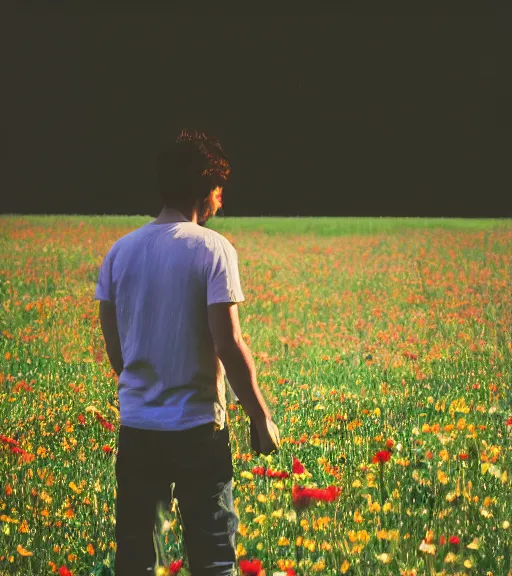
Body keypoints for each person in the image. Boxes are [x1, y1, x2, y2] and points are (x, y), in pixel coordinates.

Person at [95, 128, 280, 576]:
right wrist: (260, 417)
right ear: (206, 188)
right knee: (214, 558)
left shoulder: (119, 253)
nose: (222, 201)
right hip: (198, 430)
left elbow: (116, 350)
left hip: (137, 429)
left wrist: (145, 388)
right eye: (220, 190)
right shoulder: (213, 250)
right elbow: (229, 344)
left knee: (136, 560)